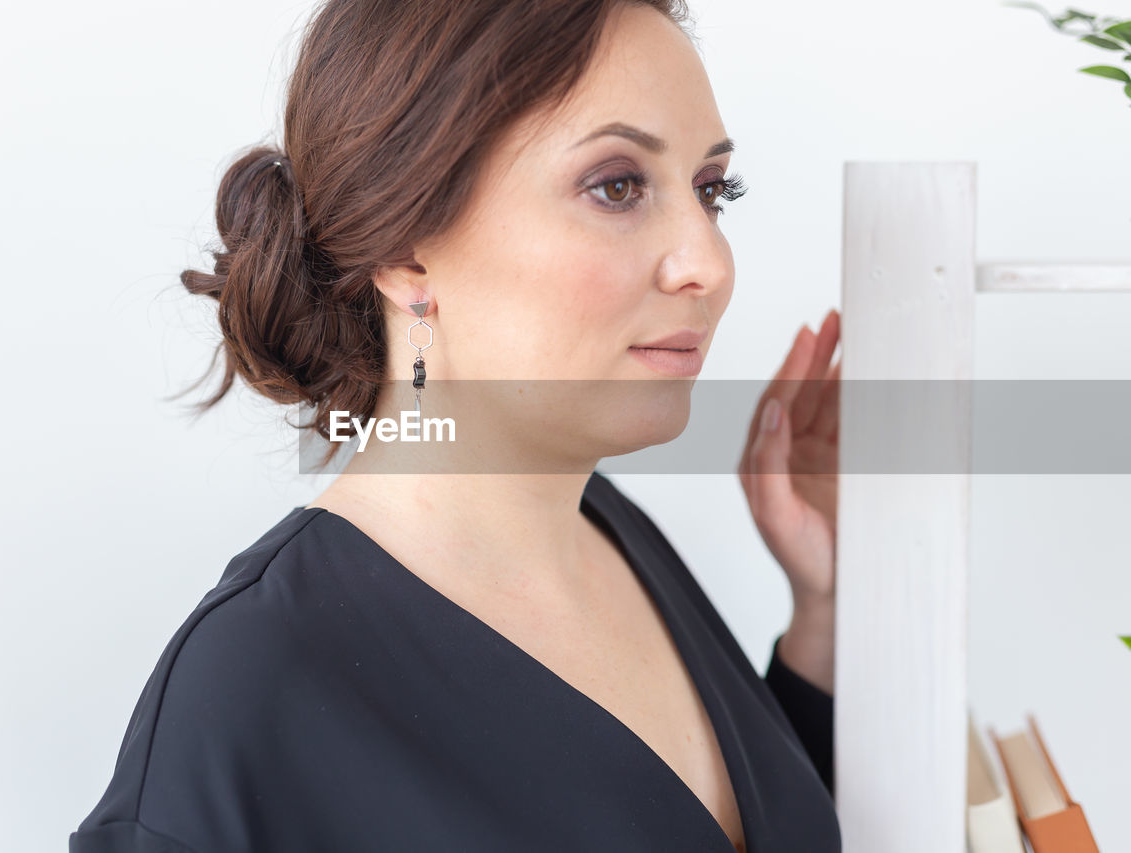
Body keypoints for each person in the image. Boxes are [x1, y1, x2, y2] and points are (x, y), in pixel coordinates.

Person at [69, 0, 844, 850]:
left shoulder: (615, 535)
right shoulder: (249, 693)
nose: (709, 263)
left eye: (711, 192)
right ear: (406, 251)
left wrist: (825, 608)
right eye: (617, 186)